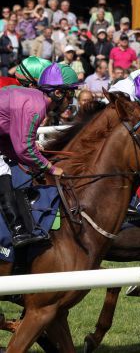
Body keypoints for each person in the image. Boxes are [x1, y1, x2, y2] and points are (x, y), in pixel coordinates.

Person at [0, 63, 79, 247]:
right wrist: (51, 168)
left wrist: (35, 162)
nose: (72, 101)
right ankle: (18, 232)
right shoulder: (35, 106)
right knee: (3, 170)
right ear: (58, 93)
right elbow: (24, 148)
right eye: (71, 94)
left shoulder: (32, 99)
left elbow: (7, 144)